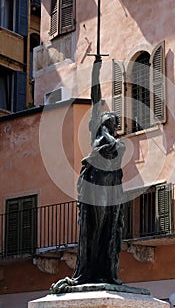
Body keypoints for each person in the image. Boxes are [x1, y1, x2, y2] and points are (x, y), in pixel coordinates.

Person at [50, 58, 125, 292]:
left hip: (111, 187)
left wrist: (109, 135)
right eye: (107, 119)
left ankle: (106, 272)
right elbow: (95, 99)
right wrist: (95, 71)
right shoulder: (97, 131)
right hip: (95, 186)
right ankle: (89, 271)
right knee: (94, 228)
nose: (109, 121)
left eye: (112, 122)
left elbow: (118, 148)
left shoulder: (115, 141)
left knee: (109, 231)